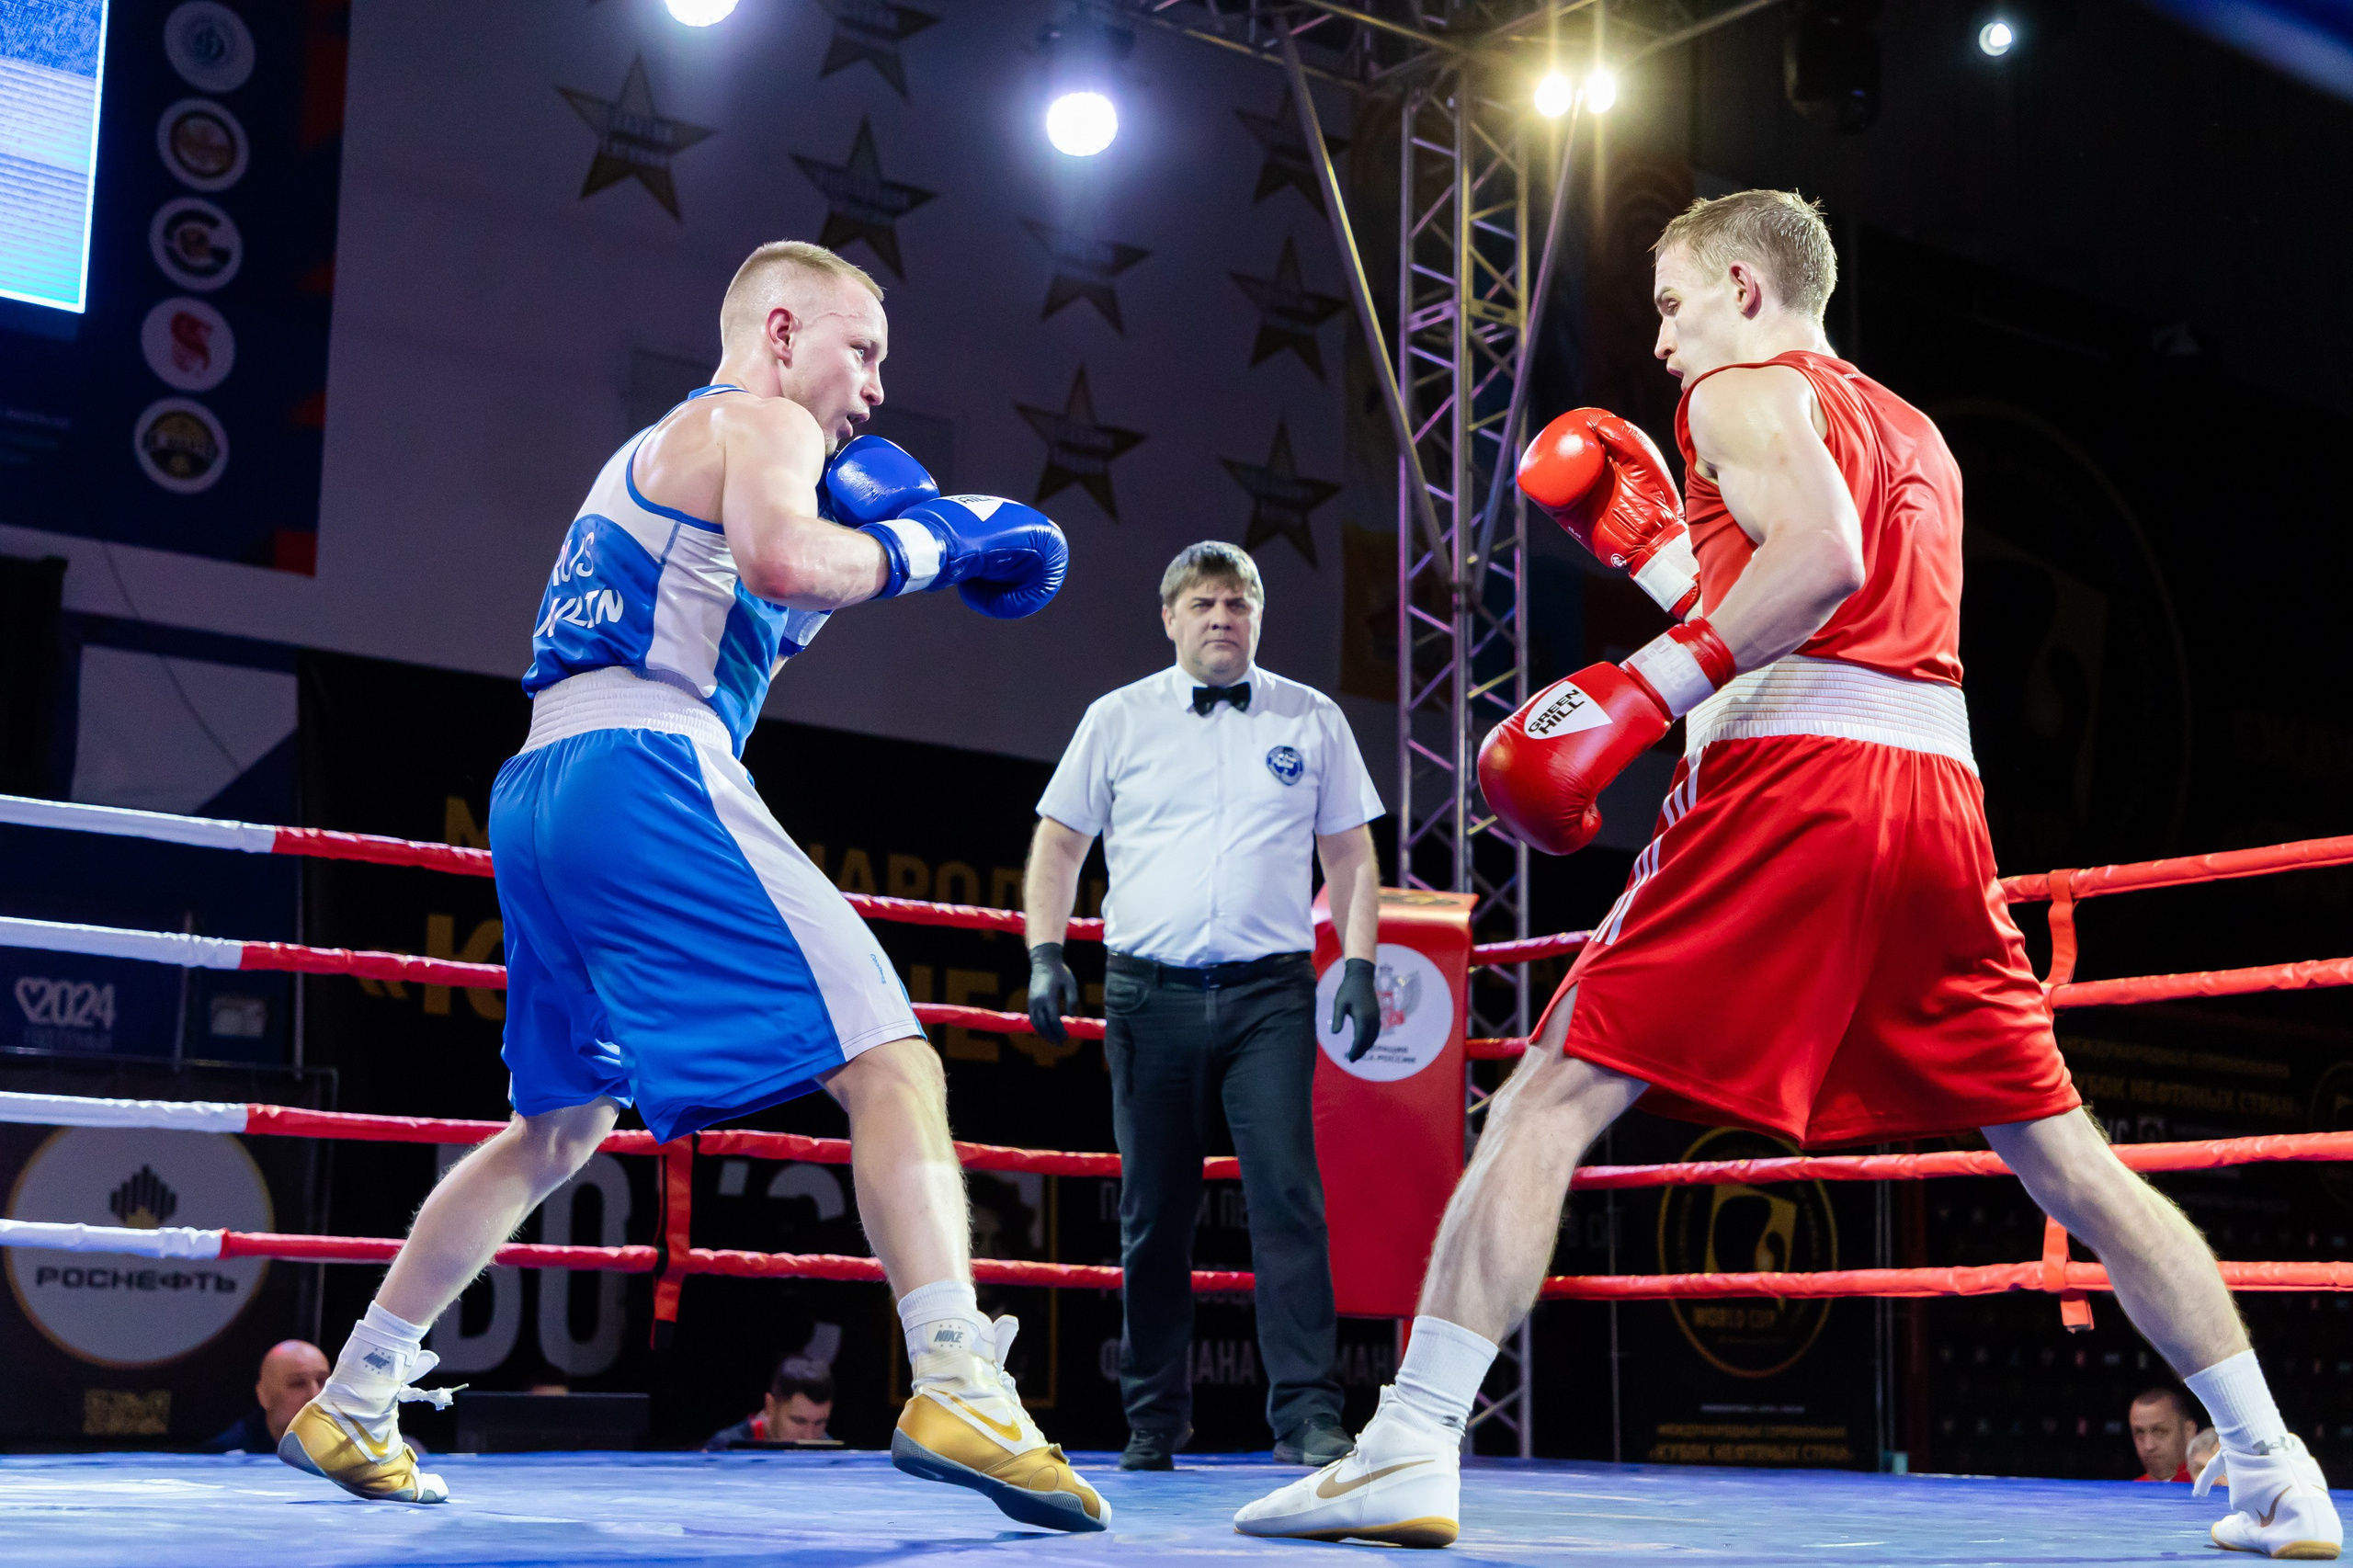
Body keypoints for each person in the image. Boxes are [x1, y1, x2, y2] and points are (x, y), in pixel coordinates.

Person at [1235, 189, 2343, 1560]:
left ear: (1747, 288)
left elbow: (1822, 564)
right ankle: (2279, 1464)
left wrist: (1642, 691)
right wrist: (1657, 557)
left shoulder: (1742, 393)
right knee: (2071, 1163)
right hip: (1935, 801)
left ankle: (1407, 1445)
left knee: (1547, 1094)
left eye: (1673, 302)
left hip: (1790, 785)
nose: (1659, 338)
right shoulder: (1917, 431)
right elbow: (1839, 600)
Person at [278, 240, 1108, 1533]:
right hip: (645, 763)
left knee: (561, 1124)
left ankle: (359, 1389)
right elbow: (782, 566)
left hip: (542, 781)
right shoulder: (760, 416)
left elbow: (761, 604)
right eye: (864, 350)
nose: (878, 388)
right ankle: (959, 1380)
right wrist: (932, 547)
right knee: (893, 1060)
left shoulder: (672, 450)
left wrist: (888, 536)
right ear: (781, 331)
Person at [1024, 541, 1385, 1472]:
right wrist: (1045, 950)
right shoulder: (1117, 718)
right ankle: (1151, 1418)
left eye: (1237, 601)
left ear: (1257, 617)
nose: (1222, 615)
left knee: (1289, 1203)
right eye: (1204, 602)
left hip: (1268, 993)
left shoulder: (1311, 717)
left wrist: (1356, 962)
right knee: (1153, 1213)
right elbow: (1059, 841)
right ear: (1170, 616)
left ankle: (1306, 1414)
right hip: (1150, 995)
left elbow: (1348, 854)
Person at [201, 1339, 329, 1453]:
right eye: (297, 1384)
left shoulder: (346, 1445)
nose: (315, 1395)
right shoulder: (226, 1453)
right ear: (263, 1395)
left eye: (322, 1381)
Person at [705, 1357, 836, 1449]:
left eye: (820, 1422)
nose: (809, 1437)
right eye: (798, 1420)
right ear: (771, 1406)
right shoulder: (724, 1447)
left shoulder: (832, 1453)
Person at [2132, 1385, 2203, 1483]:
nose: (2149, 1446)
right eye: (2139, 1433)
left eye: (2159, 1431)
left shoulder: (2213, 1486)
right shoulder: (2129, 1493)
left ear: (2188, 1430)